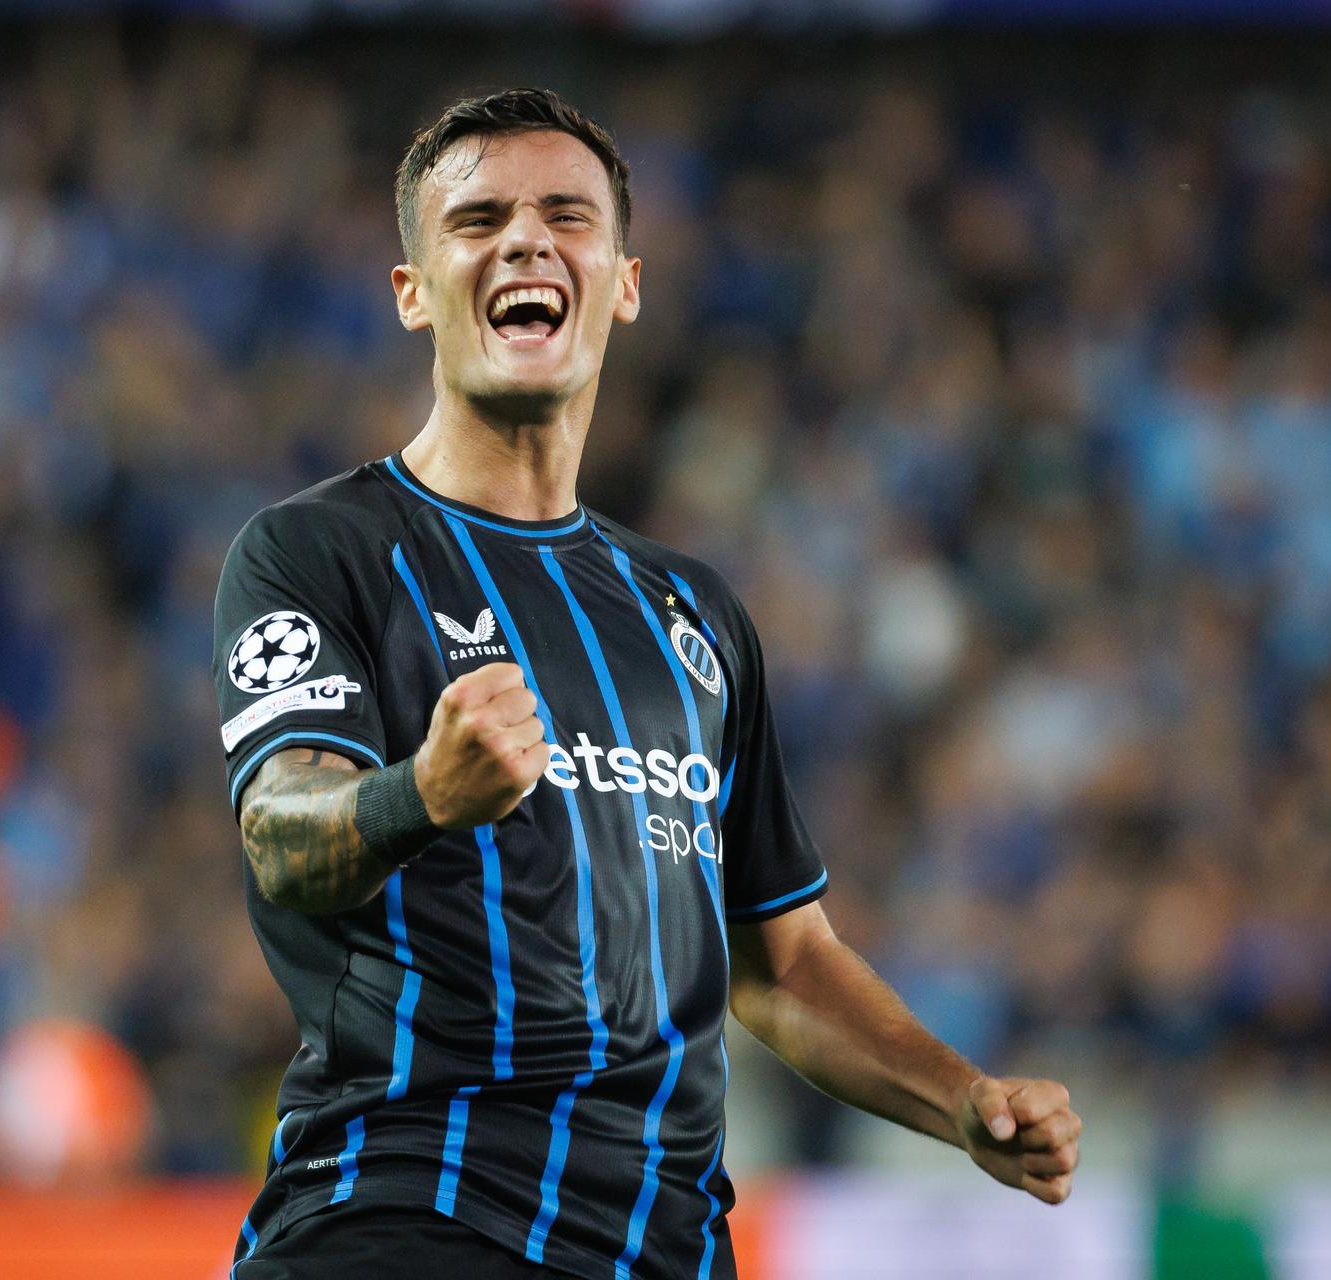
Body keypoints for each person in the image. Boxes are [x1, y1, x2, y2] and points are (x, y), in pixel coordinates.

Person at [211, 88, 1080, 1280]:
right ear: (413, 292)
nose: (526, 240)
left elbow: (782, 960)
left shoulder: (695, 617)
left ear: (623, 280)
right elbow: (280, 833)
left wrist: (964, 1098)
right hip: (407, 1217)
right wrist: (418, 791)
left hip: (666, 1247)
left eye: (567, 214)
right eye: (479, 221)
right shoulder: (317, 553)